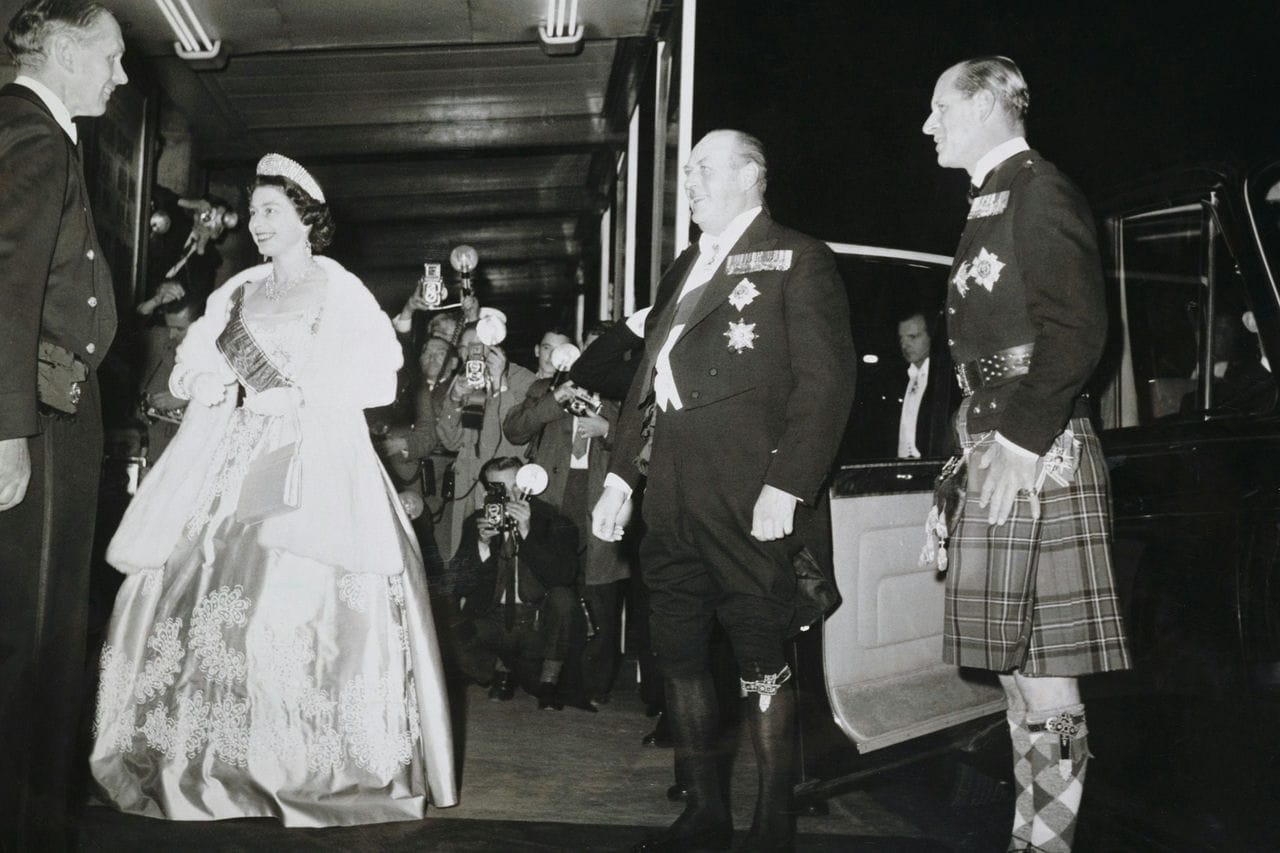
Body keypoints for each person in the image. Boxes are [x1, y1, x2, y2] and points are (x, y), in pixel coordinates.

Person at [88, 153, 457, 826]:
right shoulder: (238, 291)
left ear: (305, 219)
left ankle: (306, 764)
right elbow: (191, 366)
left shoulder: (339, 290)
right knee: (206, 596)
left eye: (269, 212)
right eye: (254, 213)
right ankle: (216, 760)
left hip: (314, 459)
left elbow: (379, 379)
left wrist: (306, 394)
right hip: (238, 458)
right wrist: (207, 383)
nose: (256, 225)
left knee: (295, 609)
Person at [593, 129, 856, 852]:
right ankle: (705, 809)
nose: (689, 182)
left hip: (750, 492)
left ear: (751, 175)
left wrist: (789, 483)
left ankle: (774, 820)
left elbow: (826, 384)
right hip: (673, 493)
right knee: (675, 649)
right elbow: (645, 381)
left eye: (703, 169)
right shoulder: (683, 268)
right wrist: (621, 475)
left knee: (758, 648)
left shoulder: (798, 258)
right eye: (685, 171)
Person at [923, 56, 1131, 852]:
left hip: (1031, 451)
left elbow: (1078, 328)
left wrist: (1015, 441)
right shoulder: (993, 198)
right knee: (1016, 670)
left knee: (1042, 667)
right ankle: (1032, 838)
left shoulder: (1038, 189)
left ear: (982, 106)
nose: (928, 123)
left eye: (940, 106)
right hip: (997, 442)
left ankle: (1045, 845)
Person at [0, 2, 126, 847]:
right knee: (36, 640)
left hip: (46, 406)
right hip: (38, 416)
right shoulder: (35, 139)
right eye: (112, 57)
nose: (121, 75)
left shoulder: (31, 134)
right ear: (70, 52)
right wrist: (7, 431)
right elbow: (7, 289)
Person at [504, 327, 630, 708]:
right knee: (556, 587)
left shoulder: (622, 392)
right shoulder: (547, 388)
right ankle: (547, 674)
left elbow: (642, 442)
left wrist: (608, 430)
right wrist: (555, 399)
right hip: (554, 497)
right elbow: (514, 430)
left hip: (599, 496)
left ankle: (594, 684)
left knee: (600, 590)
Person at [444, 456, 578, 707]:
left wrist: (527, 532)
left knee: (563, 598)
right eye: (500, 489)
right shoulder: (477, 522)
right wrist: (481, 545)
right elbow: (457, 583)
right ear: (487, 492)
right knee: (448, 632)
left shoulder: (553, 520)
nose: (512, 495)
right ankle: (498, 670)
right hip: (494, 621)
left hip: (536, 624)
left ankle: (548, 680)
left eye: (517, 485)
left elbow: (563, 576)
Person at [435, 321, 535, 560]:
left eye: (476, 346)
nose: (470, 353)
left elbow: (517, 433)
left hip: (506, 482)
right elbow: (451, 442)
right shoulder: (465, 381)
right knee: (471, 553)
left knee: (509, 552)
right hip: (470, 485)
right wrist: (455, 400)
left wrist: (501, 386)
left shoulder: (522, 378)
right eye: (463, 348)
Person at [893, 311, 953, 459]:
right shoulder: (904, 378)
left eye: (913, 337)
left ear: (930, 336)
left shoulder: (945, 379)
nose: (905, 345)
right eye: (901, 339)